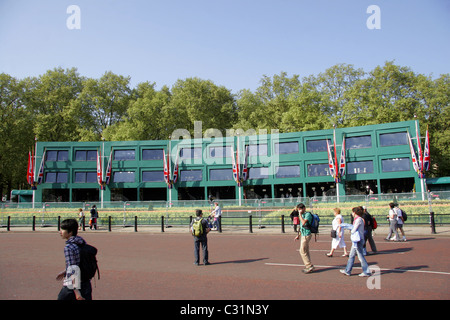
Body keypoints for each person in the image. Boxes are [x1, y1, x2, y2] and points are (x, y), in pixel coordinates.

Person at [56, 219, 92, 300]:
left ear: (70, 232)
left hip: (72, 286)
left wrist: (76, 292)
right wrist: (65, 271)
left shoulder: (69, 247)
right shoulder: (81, 243)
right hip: (85, 282)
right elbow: (78, 262)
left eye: (62, 229)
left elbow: (73, 269)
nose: (60, 232)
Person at [340, 207, 371, 277]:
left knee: (360, 256)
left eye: (352, 212)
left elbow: (354, 229)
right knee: (351, 255)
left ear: (354, 213)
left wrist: (348, 227)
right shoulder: (358, 219)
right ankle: (347, 270)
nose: (352, 213)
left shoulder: (359, 220)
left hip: (358, 240)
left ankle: (366, 271)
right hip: (356, 240)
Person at [294, 203, 314, 274]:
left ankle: (309, 266)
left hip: (307, 234)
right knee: (306, 251)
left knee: (302, 251)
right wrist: (298, 235)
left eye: (300, 209)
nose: (299, 211)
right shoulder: (302, 215)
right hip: (303, 234)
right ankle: (309, 265)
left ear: (304, 208)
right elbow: (301, 227)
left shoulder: (307, 215)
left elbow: (303, 223)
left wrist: (300, 215)